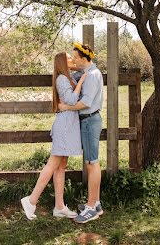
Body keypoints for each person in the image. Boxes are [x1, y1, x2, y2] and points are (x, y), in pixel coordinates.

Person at [21, 52, 86, 220]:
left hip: (68, 126)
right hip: (64, 127)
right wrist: (82, 82)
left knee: (61, 166)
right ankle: (31, 200)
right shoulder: (62, 79)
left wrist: (81, 76)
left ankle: (59, 207)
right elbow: (72, 100)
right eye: (70, 58)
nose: (73, 59)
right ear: (63, 62)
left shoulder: (68, 77)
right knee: (53, 164)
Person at [58, 42, 104, 224]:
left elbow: (85, 103)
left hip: (90, 121)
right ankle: (96, 204)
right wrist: (66, 63)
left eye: (76, 58)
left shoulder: (92, 75)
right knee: (90, 162)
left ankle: (91, 208)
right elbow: (69, 72)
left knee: (92, 163)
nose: (74, 60)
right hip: (86, 121)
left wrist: (66, 106)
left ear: (84, 59)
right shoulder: (84, 72)